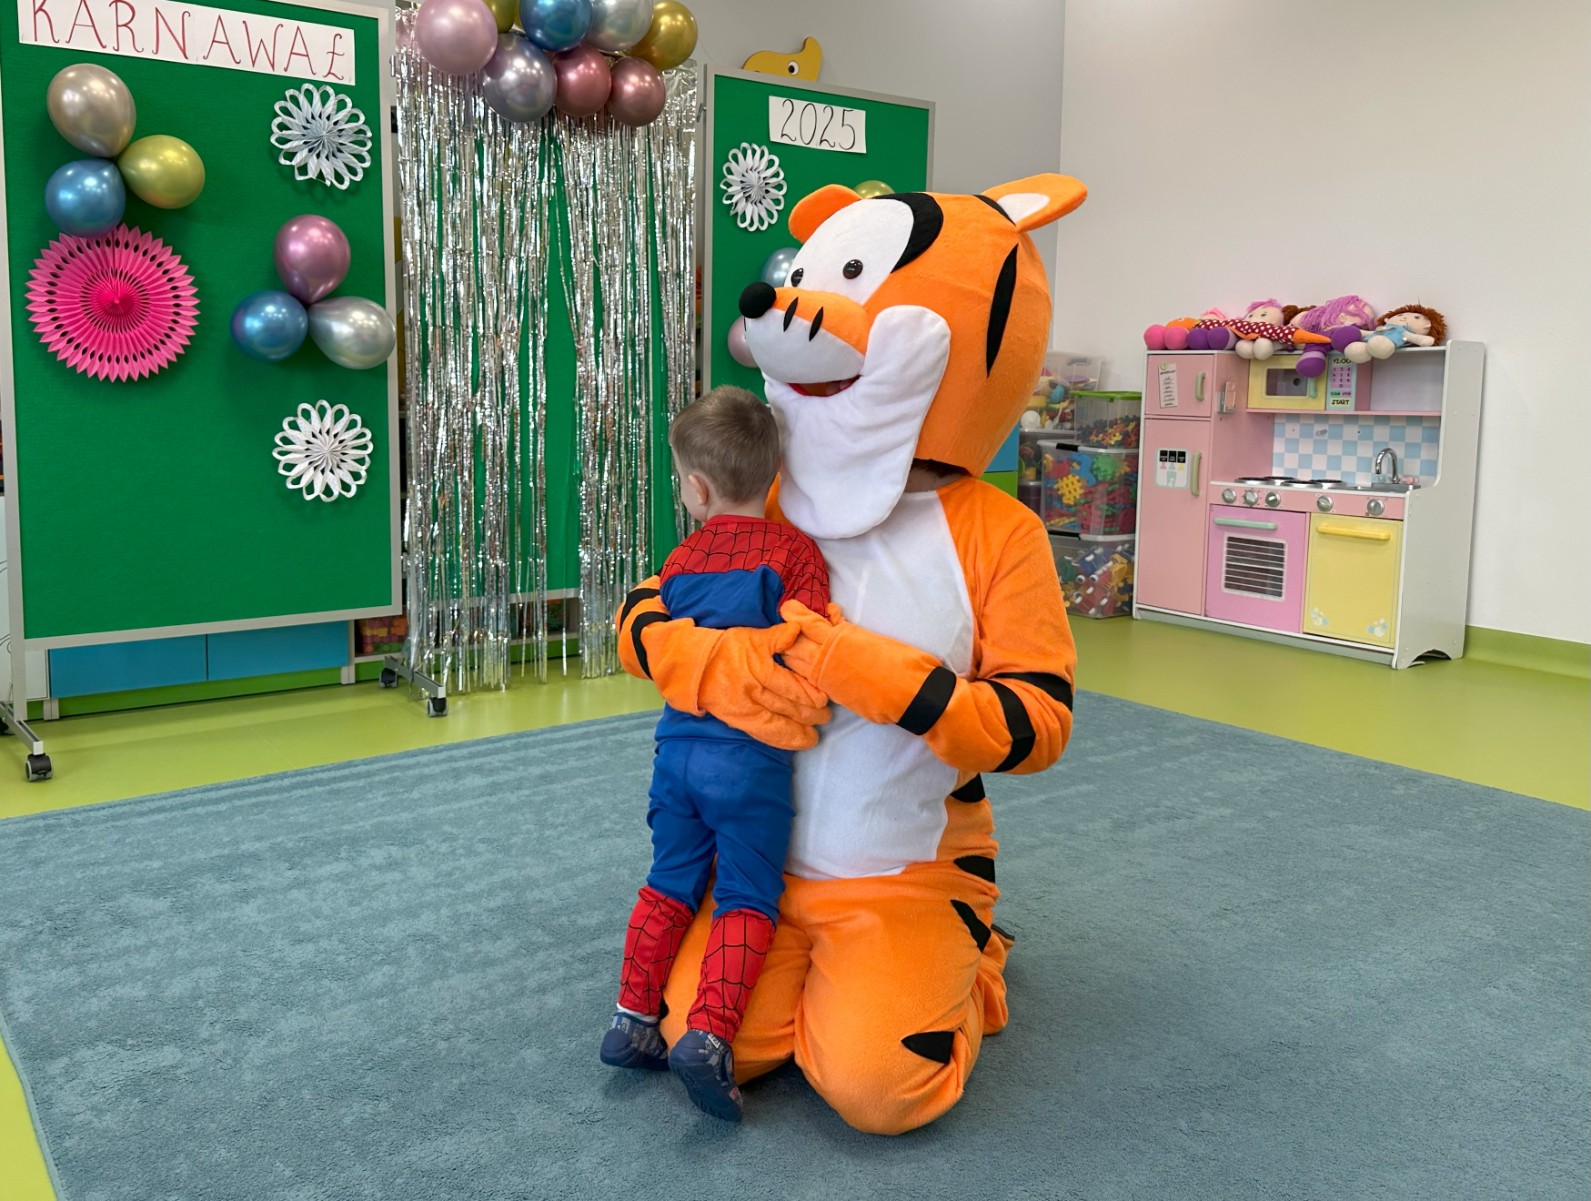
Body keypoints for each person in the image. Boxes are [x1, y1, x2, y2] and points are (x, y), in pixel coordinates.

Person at [615, 174, 1086, 1134]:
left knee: (877, 1089)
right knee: (693, 1029)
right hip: (761, 860)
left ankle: (971, 960)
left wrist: (869, 671)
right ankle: (833, 980)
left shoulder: (1000, 532)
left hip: (903, 867)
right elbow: (645, 612)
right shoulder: (771, 496)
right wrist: (721, 667)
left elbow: (1037, 723)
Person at [600, 386, 829, 1124]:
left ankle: (632, 1017)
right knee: (746, 895)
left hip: (676, 753)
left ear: (697, 489)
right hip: (750, 763)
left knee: (668, 881)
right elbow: (817, 644)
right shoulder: (795, 554)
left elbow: (654, 639)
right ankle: (708, 1035)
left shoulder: (679, 561)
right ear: (774, 476)